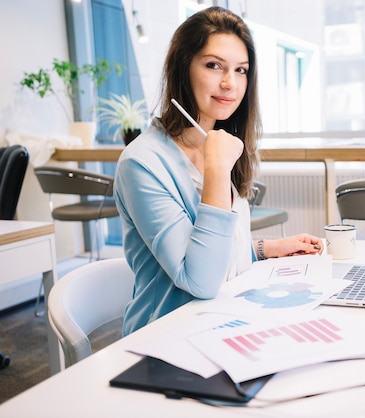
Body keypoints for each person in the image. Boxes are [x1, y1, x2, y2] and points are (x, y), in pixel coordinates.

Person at [114, 6, 324, 335]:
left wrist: (263, 250)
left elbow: (213, 251)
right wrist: (216, 170)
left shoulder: (220, 142)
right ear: (183, 68)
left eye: (241, 70)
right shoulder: (143, 163)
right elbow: (201, 280)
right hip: (165, 339)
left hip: (226, 320)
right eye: (214, 65)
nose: (230, 83)